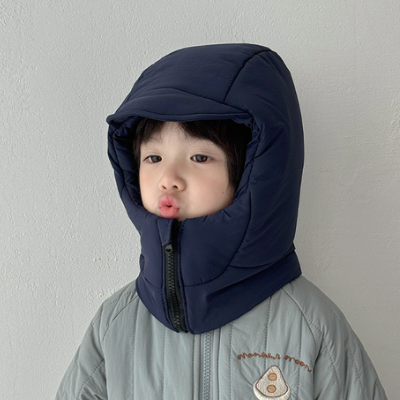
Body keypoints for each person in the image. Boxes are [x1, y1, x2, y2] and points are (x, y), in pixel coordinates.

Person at [56, 44, 387, 399]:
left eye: (199, 157)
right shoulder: (116, 325)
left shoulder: (310, 324)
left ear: (252, 173)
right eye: (153, 157)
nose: (169, 178)